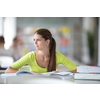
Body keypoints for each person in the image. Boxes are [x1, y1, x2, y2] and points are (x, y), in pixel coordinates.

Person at [5, 28, 77, 74]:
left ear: (47, 42)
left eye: (38, 40)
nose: (35, 43)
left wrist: (60, 73)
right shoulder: (31, 56)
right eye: (34, 40)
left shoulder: (57, 55)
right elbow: (8, 70)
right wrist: (28, 73)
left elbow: (75, 69)